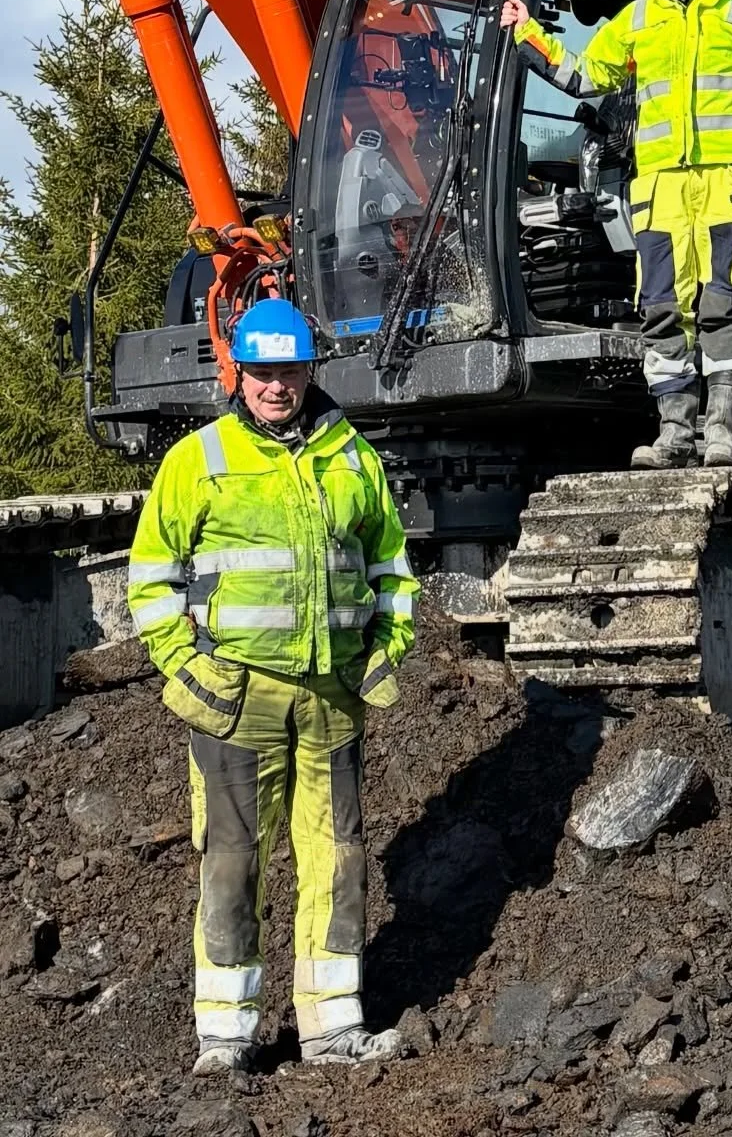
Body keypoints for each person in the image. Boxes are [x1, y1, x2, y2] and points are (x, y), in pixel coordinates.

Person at [126, 298, 420, 1075]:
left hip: (329, 696)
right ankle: (225, 1035)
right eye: (260, 372)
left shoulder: (353, 458)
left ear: (307, 371)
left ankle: (331, 1027)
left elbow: (391, 569)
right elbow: (152, 579)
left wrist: (384, 656)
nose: (275, 386)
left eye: (288, 370)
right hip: (235, 697)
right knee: (232, 861)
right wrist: (187, 667)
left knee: (339, 858)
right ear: (240, 374)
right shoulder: (200, 459)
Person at [500, 0, 732, 468]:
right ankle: (675, 433)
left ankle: (721, 431)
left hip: (727, 187)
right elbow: (586, 75)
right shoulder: (636, 20)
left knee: (722, 306)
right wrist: (529, 34)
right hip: (662, 193)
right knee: (662, 310)